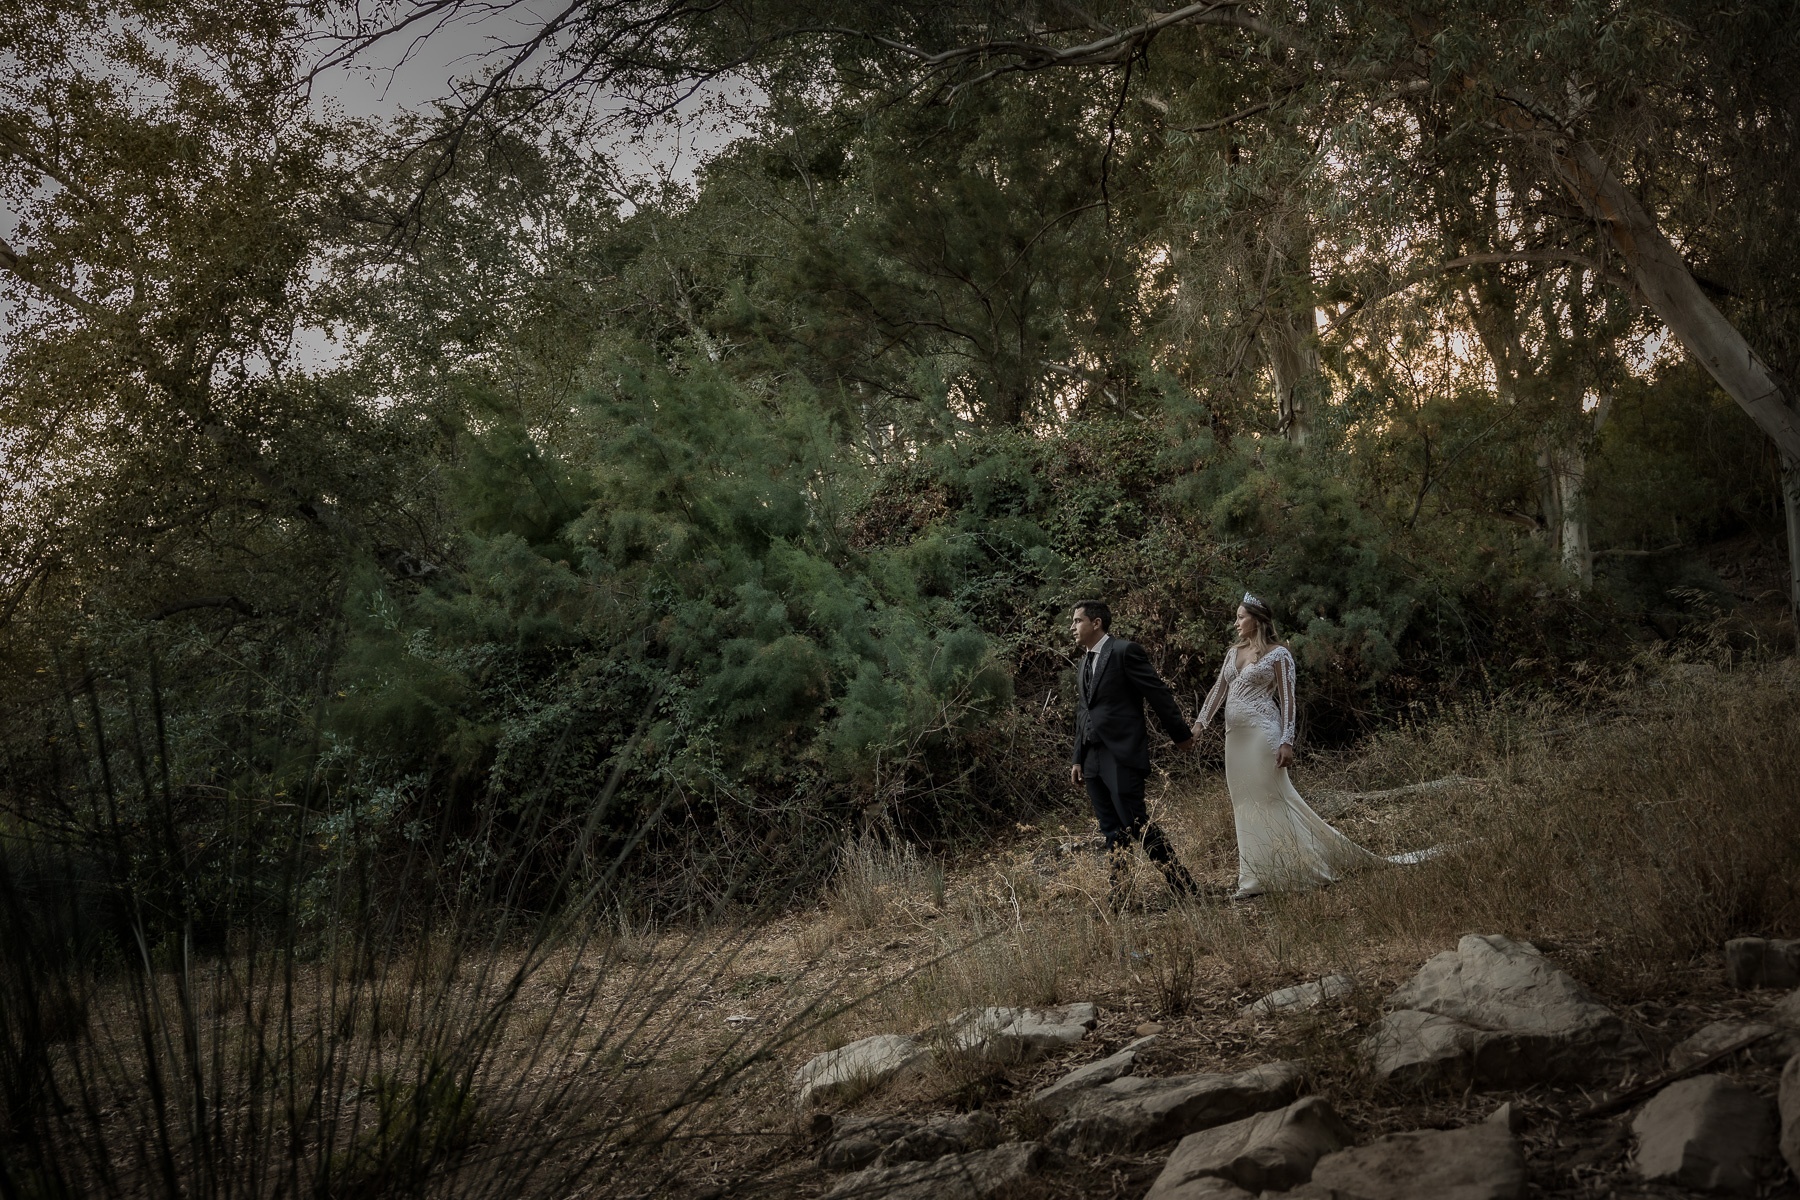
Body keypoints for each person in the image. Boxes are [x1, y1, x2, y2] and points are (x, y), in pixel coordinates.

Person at [1193, 593, 1434, 900]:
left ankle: (1305, 869)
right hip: (1235, 739)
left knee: (1272, 800)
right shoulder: (1233, 653)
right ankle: (1254, 878)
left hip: (1262, 734)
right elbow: (1219, 689)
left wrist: (1287, 740)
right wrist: (1200, 723)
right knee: (1244, 804)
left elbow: (1289, 698)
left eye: (1241, 616)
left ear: (1257, 619)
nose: (1236, 622)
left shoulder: (1279, 654)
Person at [1069, 600, 1201, 905]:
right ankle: (1121, 897)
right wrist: (1077, 757)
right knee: (1112, 831)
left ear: (1096, 622)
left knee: (1136, 822)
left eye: (1077, 621)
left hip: (1122, 753)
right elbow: (1084, 711)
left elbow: (1157, 693)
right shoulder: (1083, 662)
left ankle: (1184, 887)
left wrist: (1180, 735)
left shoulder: (1124, 651)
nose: (1073, 627)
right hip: (1092, 758)